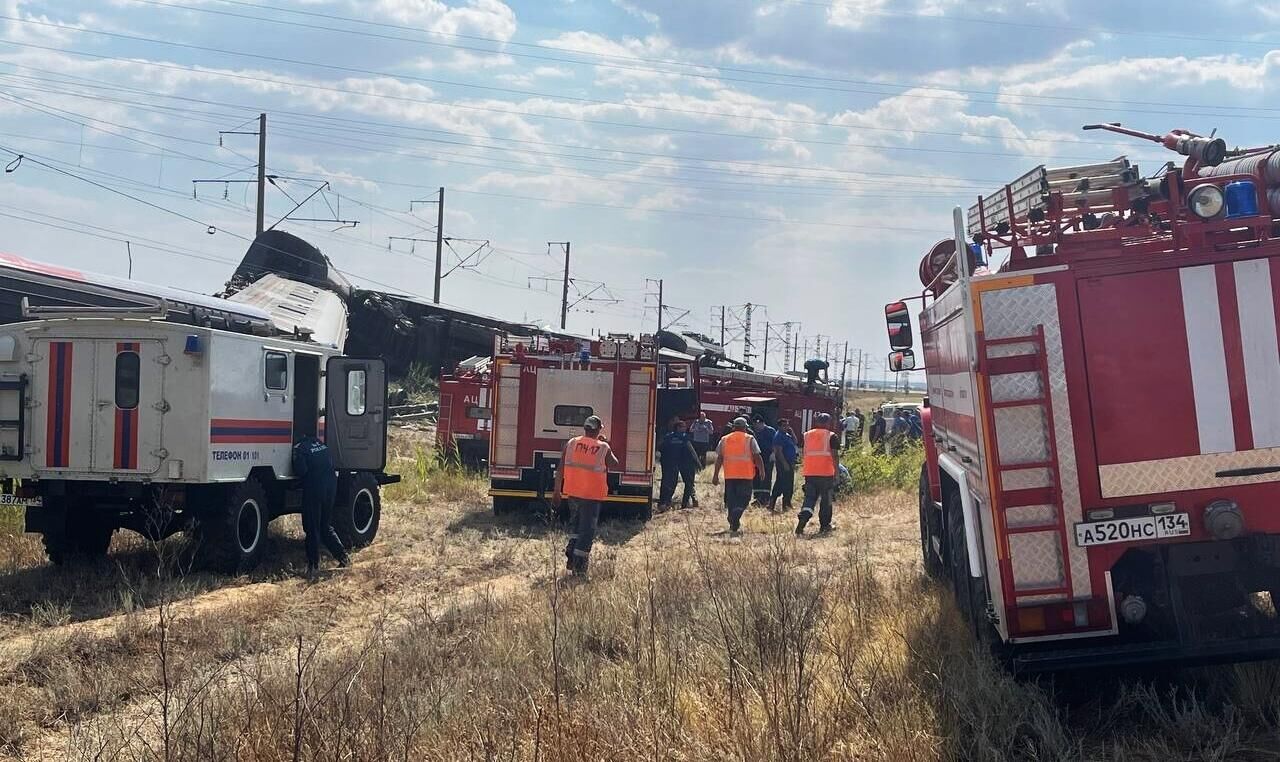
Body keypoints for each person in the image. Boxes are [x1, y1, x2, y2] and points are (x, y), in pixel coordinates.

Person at [553, 415, 618, 577]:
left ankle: (571, 551)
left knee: (576, 526)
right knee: (587, 531)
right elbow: (614, 463)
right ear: (597, 430)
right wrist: (605, 444)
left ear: (585, 428)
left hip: (573, 493)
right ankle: (579, 568)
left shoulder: (571, 443)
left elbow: (560, 468)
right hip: (591, 495)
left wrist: (556, 491)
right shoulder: (603, 447)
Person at [291, 433, 350, 576]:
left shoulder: (300, 448)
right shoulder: (321, 445)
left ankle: (313, 566)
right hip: (331, 487)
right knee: (325, 525)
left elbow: (301, 470)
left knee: (312, 528)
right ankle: (343, 558)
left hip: (315, 489)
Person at [711, 417, 766, 533]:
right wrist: (762, 470)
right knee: (744, 499)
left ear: (733, 427)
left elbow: (719, 458)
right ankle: (735, 516)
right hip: (746, 474)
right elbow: (757, 456)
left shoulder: (724, 439)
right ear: (745, 427)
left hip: (730, 475)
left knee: (731, 500)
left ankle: (733, 523)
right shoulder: (749, 439)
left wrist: (715, 475)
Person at [796, 413, 840, 536]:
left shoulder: (807, 435)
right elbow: (835, 455)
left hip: (810, 474)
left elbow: (801, 453)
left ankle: (803, 520)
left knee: (809, 498)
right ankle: (825, 526)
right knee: (826, 501)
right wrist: (837, 473)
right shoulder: (831, 436)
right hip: (826, 474)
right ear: (828, 423)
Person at [657, 420, 700, 509]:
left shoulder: (668, 436)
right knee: (689, 483)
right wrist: (698, 463)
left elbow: (660, 448)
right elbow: (691, 450)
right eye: (683, 426)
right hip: (684, 463)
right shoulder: (684, 437)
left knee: (668, 483)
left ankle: (664, 502)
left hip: (670, 463)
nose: (685, 428)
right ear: (678, 428)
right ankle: (685, 504)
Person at [769, 418, 799, 512]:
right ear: (779, 426)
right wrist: (784, 463)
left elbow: (795, 442)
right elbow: (779, 451)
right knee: (782, 483)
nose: (786, 427)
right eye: (784, 426)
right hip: (783, 463)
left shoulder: (787, 435)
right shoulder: (778, 436)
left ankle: (787, 503)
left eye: (787, 425)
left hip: (790, 462)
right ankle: (776, 503)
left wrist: (792, 432)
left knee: (788, 484)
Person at [751, 415, 776, 505]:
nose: (756, 426)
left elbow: (775, 443)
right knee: (756, 476)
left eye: (758, 424)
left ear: (761, 423)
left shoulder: (770, 431)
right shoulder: (753, 432)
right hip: (757, 458)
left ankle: (765, 497)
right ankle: (757, 497)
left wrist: (773, 453)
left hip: (768, 457)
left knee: (766, 477)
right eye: (755, 424)